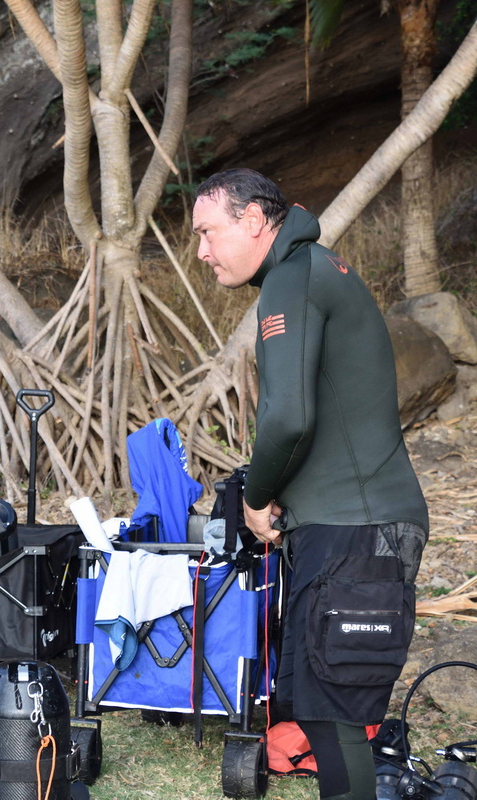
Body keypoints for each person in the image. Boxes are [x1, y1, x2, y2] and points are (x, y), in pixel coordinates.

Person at [193, 168, 428, 800]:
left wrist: (255, 498)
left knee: (334, 714)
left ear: (252, 220)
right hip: (354, 522)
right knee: (324, 710)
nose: (202, 251)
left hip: (357, 527)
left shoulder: (292, 278)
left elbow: (289, 418)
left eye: (208, 232)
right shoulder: (313, 269)